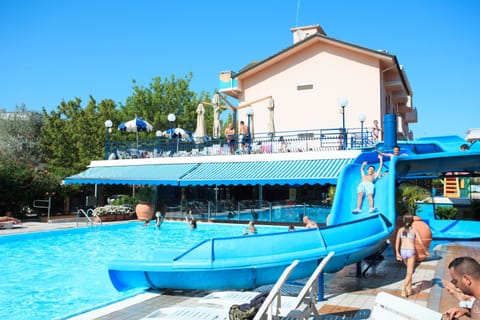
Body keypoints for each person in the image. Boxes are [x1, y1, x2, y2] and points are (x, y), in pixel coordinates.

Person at [395, 214, 429, 297]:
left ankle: (409, 289)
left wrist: (397, 253)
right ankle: (404, 289)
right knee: (410, 273)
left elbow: (397, 242)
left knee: (408, 271)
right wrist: (425, 252)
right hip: (411, 251)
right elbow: (420, 242)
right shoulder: (414, 230)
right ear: (412, 221)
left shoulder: (400, 230)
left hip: (403, 251)